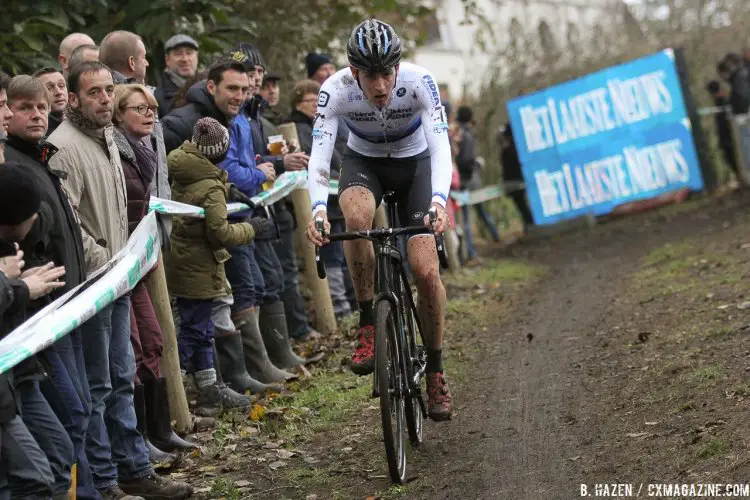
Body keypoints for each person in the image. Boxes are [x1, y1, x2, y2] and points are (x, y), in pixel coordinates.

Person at [47, 60, 192, 499]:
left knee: (123, 375)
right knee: (98, 386)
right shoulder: (62, 147)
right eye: (94, 92)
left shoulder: (109, 137)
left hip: (118, 278)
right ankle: (106, 479)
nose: (105, 99)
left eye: (109, 90)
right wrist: (107, 264)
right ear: (72, 98)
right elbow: (70, 224)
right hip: (92, 288)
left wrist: (124, 261)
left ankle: (133, 467)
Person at [305, 19, 454, 420]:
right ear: (354, 72)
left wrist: (439, 201)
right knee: (356, 220)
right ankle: (369, 322)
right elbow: (320, 156)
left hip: (416, 164)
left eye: (387, 73)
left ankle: (436, 369)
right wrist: (318, 209)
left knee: (425, 272)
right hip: (363, 162)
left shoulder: (421, 82)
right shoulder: (334, 90)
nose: (381, 86)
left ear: (398, 67)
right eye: (370, 75)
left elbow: (440, 147)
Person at [3, 74, 100, 499]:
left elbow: (69, 230)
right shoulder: (14, 165)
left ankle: (94, 490)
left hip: (65, 302)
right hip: (35, 317)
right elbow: (32, 243)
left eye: (40, 107)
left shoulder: (43, 156)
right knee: (70, 419)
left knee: (82, 410)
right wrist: (23, 287)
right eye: (22, 107)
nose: (32, 114)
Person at [112, 84, 197, 462]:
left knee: (153, 340)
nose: (149, 115)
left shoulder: (144, 150)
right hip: (117, 264)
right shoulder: (115, 149)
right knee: (131, 349)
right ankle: (141, 436)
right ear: (118, 114)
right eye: (138, 108)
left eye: (151, 109)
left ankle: (161, 430)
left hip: (140, 262)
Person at [167, 117, 273, 409]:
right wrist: (252, 228)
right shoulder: (209, 185)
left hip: (184, 259)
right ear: (222, 151)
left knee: (198, 326)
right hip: (199, 265)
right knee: (196, 329)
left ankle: (208, 385)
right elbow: (220, 232)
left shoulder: (182, 167)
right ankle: (172, 388)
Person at [0, 163, 69, 500]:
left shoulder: (11, 251)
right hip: (11, 376)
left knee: (56, 457)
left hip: (18, 373)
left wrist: (24, 284)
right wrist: (20, 287)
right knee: (36, 475)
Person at [288, 79, 351, 320]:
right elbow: (314, 163)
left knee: (341, 256)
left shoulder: (326, 123)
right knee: (331, 258)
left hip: (337, 202)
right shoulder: (298, 129)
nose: (315, 105)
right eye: (309, 100)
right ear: (297, 103)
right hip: (318, 204)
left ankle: (348, 307)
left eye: (318, 100)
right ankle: (339, 311)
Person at [454, 105, 500, 264]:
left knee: (471, 216)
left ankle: (490, 241)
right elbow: (466, 161)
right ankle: (490, 242)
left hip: (466, 182)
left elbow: (462, 160)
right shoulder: (466, 135)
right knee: (475, 215)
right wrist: (477, 164)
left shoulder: (459, 133)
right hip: (470, 181)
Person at [706, 80, 742, 184]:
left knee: (735, 160)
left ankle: (741, 178)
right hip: (727, 137)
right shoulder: (722, 101)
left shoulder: (724, 101)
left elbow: (724, 122)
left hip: (730, 137)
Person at [155, 34, 200, 117]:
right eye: (178, 54)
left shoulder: (209, 89)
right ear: (167, 60)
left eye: (189, 53)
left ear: (197, 57)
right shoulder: (156, 97)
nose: (185, 59)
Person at [499, 123, 534, 229]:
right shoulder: (520, 148)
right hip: (519, 181)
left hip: (515, 182)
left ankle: (530, 225)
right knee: (524, 206)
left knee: (523, 206)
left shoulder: (507, 151)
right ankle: (530, 225)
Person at [33, 67, 68, 135]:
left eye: (61, 85)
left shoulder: (83, 125)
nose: (58, 92)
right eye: (49, 88)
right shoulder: (36, 132)